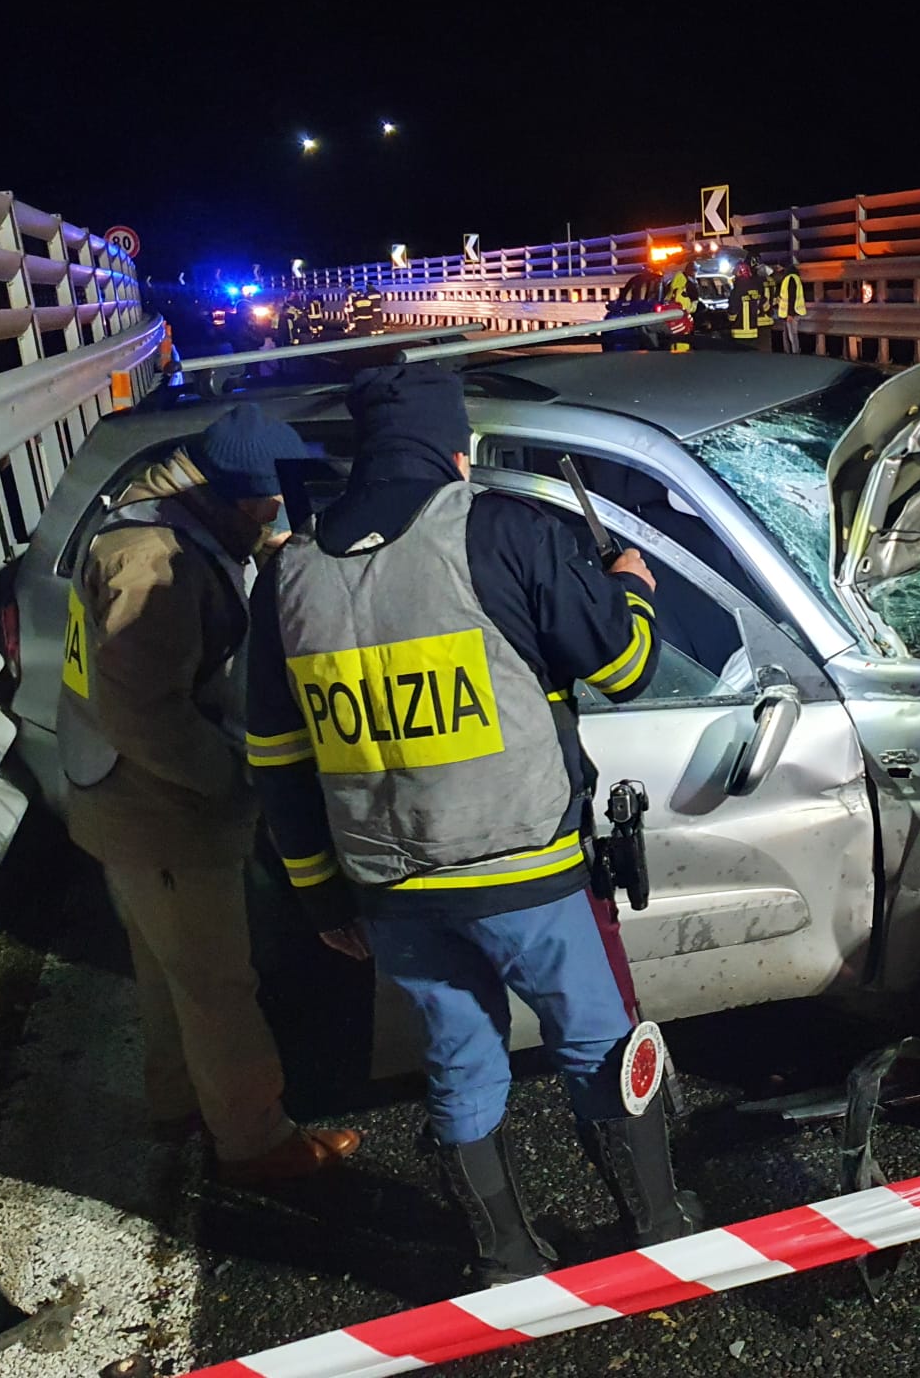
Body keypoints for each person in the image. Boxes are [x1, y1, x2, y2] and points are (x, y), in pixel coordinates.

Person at [244, 365, 702, 1284]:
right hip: (521, 869)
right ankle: (658, 1227)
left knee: (458, 1060)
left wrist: (318, 894)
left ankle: (504, 1259)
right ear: (456, 449)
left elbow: (277, 761)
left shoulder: (287, 576)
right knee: (596, 1041)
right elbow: (624, 671)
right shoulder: (496, 529)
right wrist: (632, 585)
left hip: (390, 891)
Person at [59, 404, 362, 1185]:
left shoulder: (164, 525)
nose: (278, 516)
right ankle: (257, 1141)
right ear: (228, 494)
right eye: (269, 505)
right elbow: (145, 714)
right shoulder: (155, 566)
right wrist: (238, 786)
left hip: (124, 803)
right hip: (158, 808)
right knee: (221, 984)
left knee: (171, 974)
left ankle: (179, 1106)